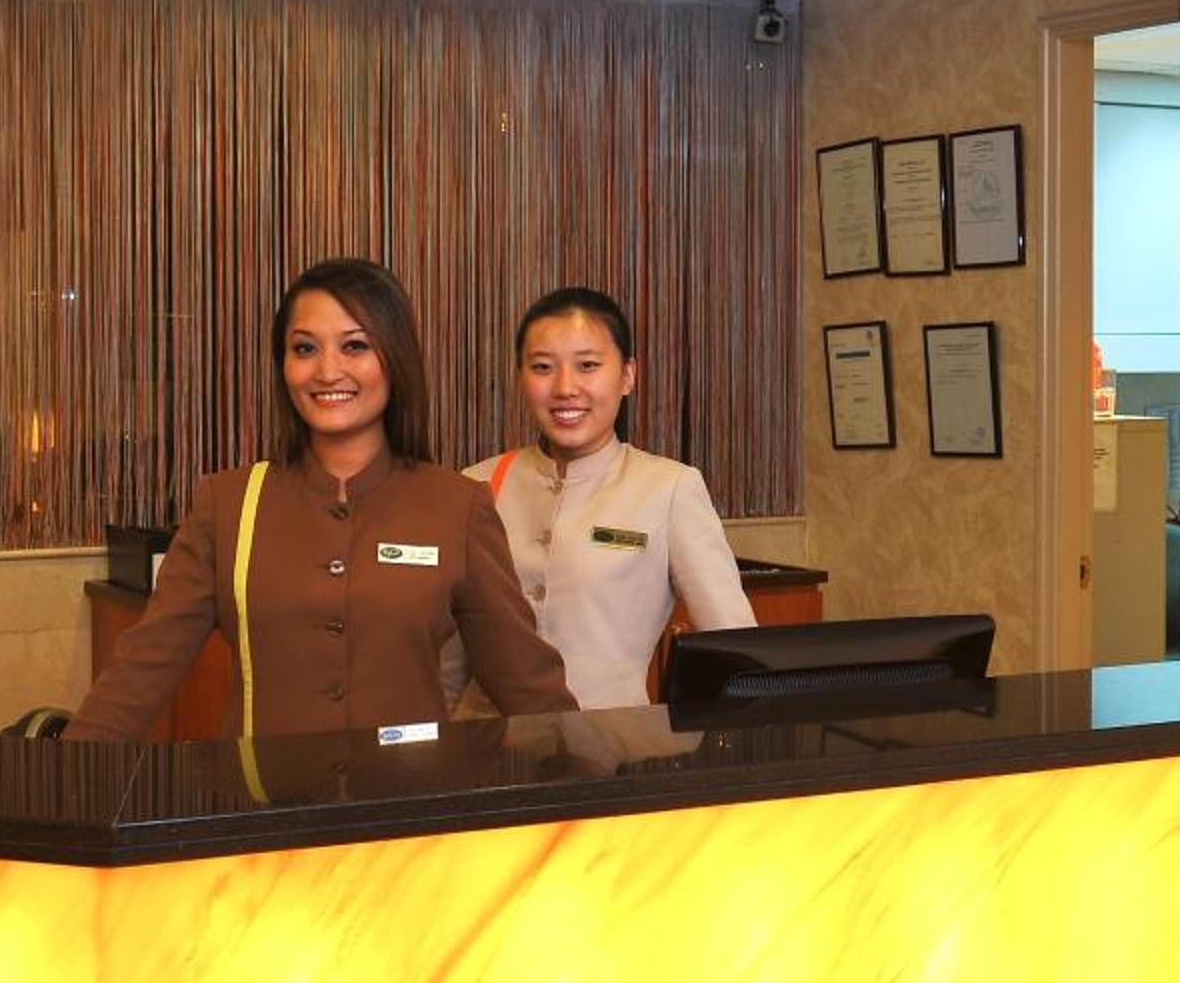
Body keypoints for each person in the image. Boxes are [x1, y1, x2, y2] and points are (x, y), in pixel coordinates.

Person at [67, 258, 576, 740]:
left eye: (354, 346)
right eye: (305, 349)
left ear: (394, 358)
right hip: (262, 798)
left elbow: (527, 682)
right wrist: (67, 777)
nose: (327, 371)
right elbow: (142, 669)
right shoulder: (229, 505)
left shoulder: (457, 506)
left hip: (412, 797)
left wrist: (597, 774)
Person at [464, 287, 753, 711]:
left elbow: (735, 646)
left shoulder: (669, 489)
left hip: (612, 741)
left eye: (588, 365)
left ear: (627, 375)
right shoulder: (477, 484)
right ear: (520, 377)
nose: (565, 387)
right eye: (542, 367)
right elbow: (446, 657)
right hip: (484, 743)